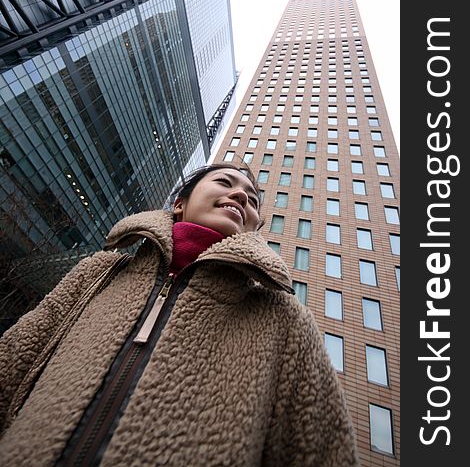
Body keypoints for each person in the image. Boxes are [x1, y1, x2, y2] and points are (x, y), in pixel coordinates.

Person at [0, 163, 359, 466]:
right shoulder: (101, 271)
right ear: (179, 204)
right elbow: (12, 361)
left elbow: (323, 449)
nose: (240, 197)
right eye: (224, 182)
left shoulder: (282, 317)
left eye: (251, 200)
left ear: (252, 227)